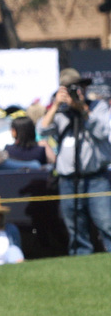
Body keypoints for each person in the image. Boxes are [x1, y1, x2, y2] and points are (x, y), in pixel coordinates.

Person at [41, 67, 111, 255]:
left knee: (106, 223)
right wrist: (55, 105)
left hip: (96, 178)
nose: (76, 92)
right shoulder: (61, 113)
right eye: (70, 88)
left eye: (78, 87)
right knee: (75, 227)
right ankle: (81, 264)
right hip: (68, 181)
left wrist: (83, 110)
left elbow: (104, 132)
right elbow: (42, 130)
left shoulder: (98, 107)